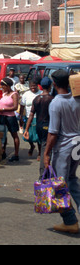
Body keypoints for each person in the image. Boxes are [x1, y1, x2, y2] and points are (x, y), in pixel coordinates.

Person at [44, 69, 80, 234]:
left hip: (64, 147)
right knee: (71, 180)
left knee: (60, 185)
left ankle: (70, 221)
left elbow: (53, 133)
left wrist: (46, 154)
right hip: (77, 145)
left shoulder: (56, 103)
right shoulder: (76, 98)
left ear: (54, 84)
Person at [24, 77, 53, 178]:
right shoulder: (51, 99)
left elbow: (31, 115)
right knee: (46, 150)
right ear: (50, 86)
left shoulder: (36, 99)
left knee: (44, 148)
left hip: (39, 126)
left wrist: (26, 129)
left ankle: (45, 172)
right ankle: (43, 174)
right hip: (47, 126)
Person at [0, 77, 19, 162]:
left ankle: (16, 154)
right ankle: (3, 151)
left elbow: (15, 107)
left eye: (3, 86)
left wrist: (2, 109)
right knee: (3, 134)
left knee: (14, 135)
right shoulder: (4, 94)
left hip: (10, 117)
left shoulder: (14, 94)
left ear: (7, 86)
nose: (2, 87)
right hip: (2, 117)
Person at [20, 80, 42, 158]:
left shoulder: (41, 93)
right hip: (28, 117)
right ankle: (32, 146)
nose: (33, 87)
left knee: (38, 136)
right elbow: (22, 106)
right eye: (31, 86)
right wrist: (20, 116)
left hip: (38, 118)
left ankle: (40, 153)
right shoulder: (26, 94)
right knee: (28, 135)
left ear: (37, 85)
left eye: (34, 86)